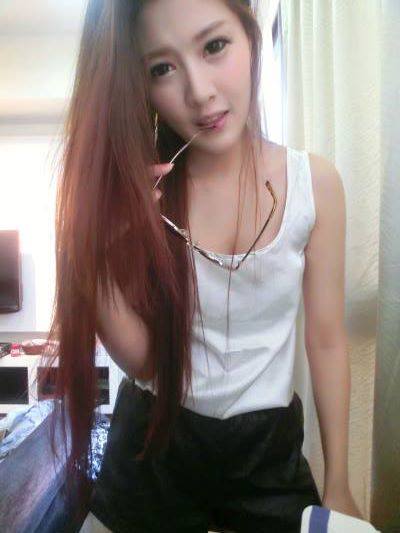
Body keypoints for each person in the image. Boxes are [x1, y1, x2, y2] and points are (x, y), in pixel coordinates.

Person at [45, 0, 362, 531]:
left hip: (266, 452)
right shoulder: (143, 197)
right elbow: (147, 363)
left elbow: (327, 340)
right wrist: (87, 258)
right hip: (154, 449)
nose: (199, 92)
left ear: (250, 37)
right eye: (162, 68)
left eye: (215, 46)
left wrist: (339, 483)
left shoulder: (315, 185)